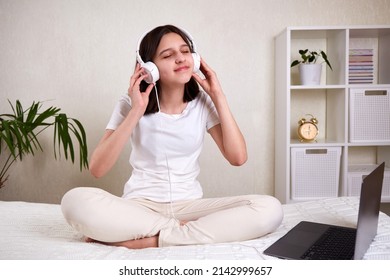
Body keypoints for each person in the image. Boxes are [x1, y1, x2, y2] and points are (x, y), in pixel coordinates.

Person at [61, 25, 283, 249]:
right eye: (168, 55)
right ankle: (182, 230)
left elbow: (238, 157)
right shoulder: (129, 103)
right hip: (140, 207)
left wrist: (218, 96)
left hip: (190, 207)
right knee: (74, 200)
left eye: (185, 51)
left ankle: (152, 239)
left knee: (269, 208)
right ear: (149, 69)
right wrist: (137, 110)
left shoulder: (203, 104)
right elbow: (97, 169)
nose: (180, 58)